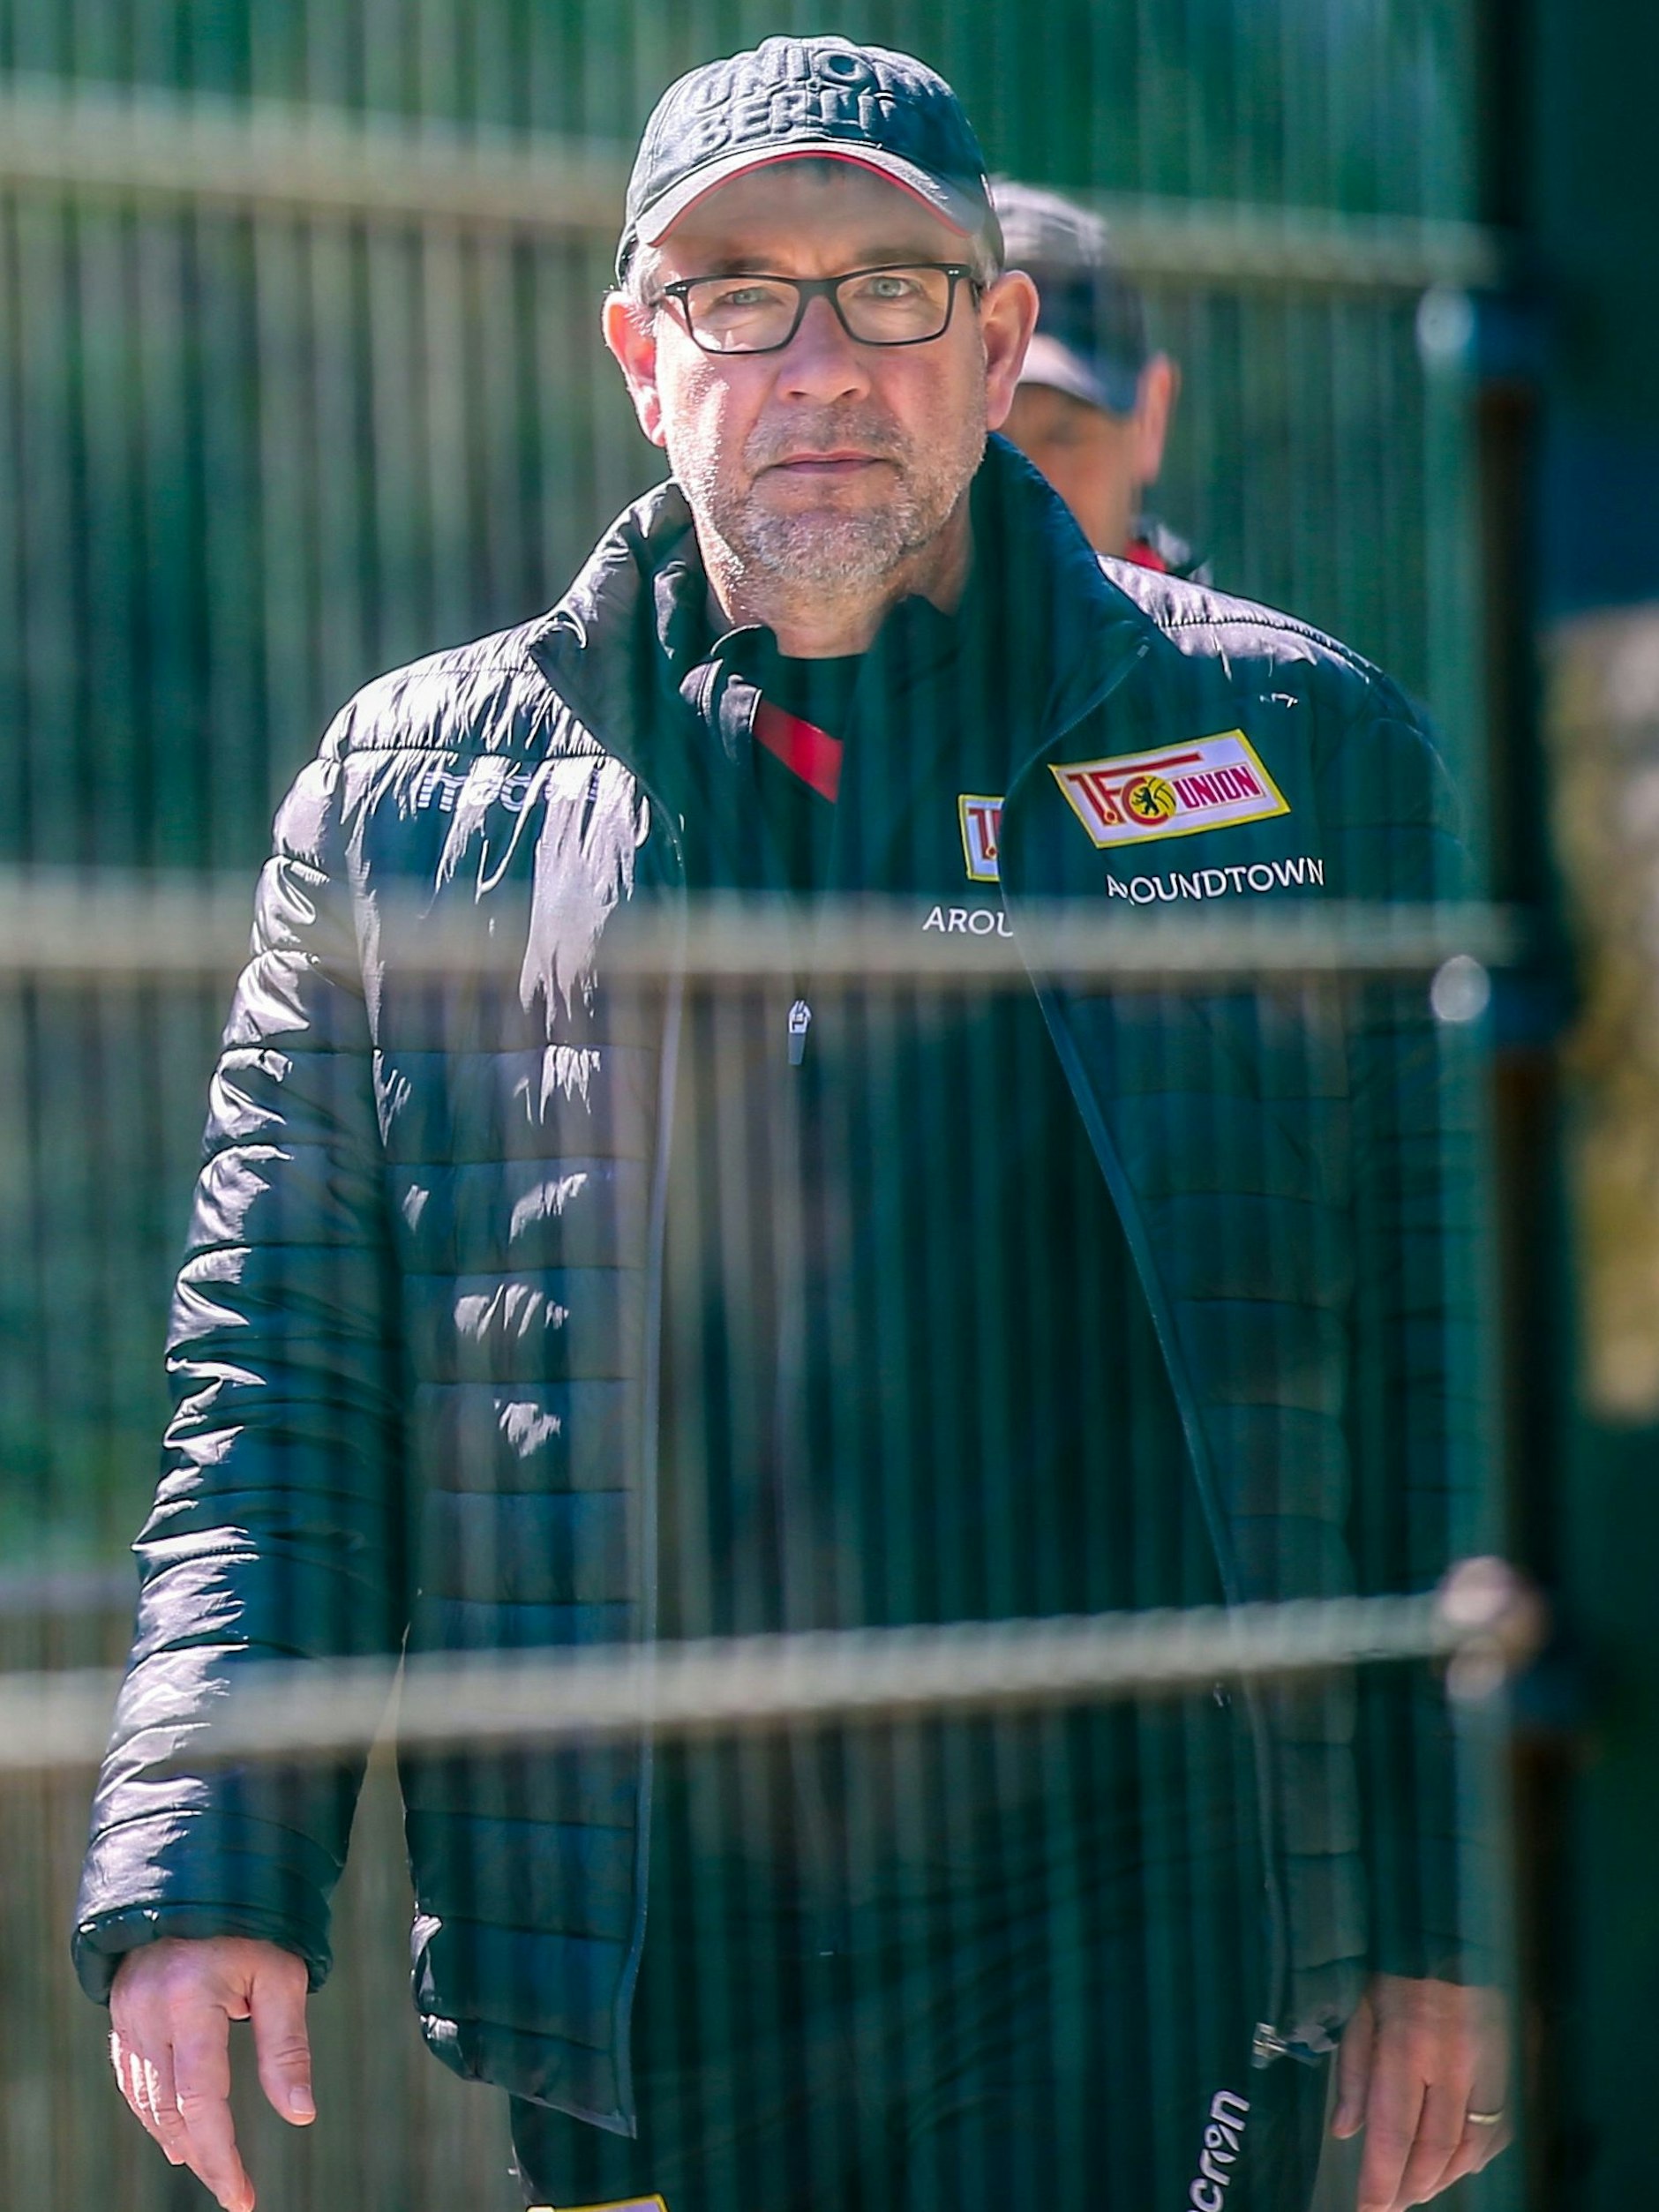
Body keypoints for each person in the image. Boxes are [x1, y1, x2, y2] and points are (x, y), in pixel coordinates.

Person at [73, 34, 1507, 2212]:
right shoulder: (405, 799)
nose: (818, 356)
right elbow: (277, 1382)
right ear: (640, 355)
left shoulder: (1291, 752)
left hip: (1135, 1923)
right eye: (740, 290)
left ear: (998, 336)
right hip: (647, 1950)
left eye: (891, 288)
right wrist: (199, 1861)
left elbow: (1454, 1371)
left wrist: (1449, 1915)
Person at [993, 176, 1205, 575]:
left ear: (1151, 418)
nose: (1019, 486)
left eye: (1064, 436)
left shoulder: (1234, 639)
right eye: (982, 445)